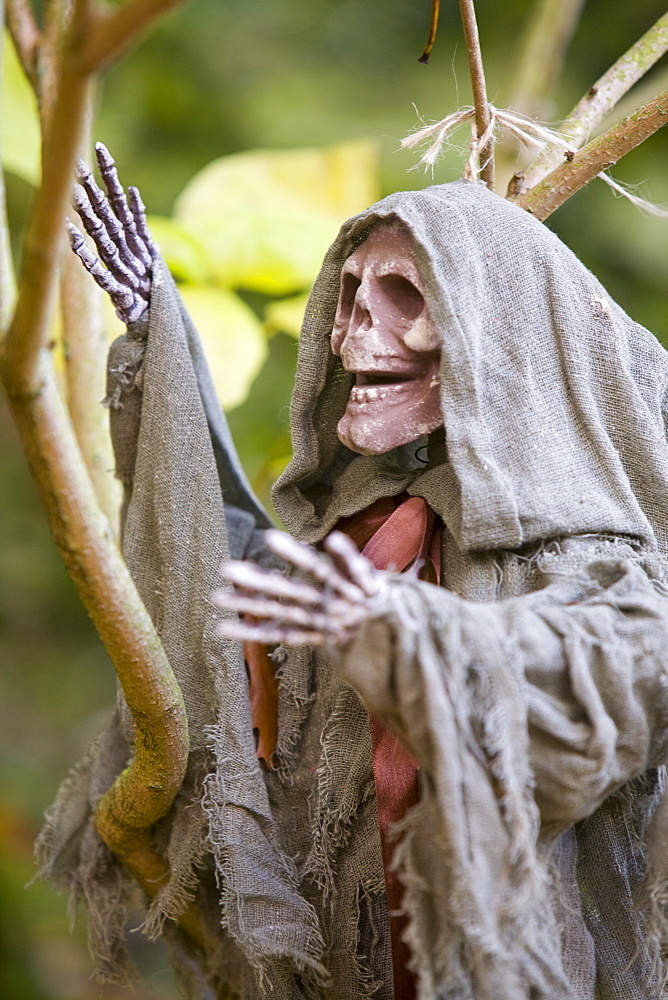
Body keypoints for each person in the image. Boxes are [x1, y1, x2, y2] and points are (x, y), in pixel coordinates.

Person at [42, 144, 668, 1000]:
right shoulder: (360, 523)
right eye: (346, 298)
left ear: (496, 332)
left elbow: (620, 666)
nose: (348, 335)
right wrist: (160, 333)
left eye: (405, 297)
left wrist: (413, 632)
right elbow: (222, 567)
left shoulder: (582, 552)